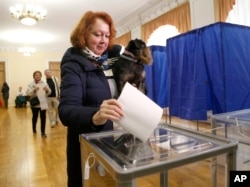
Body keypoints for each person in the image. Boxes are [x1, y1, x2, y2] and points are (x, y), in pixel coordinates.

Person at [58, 11, 124, 187]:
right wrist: (96, 115)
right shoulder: (73, 64)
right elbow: (66, 111)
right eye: (97, 34)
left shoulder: (111, 61)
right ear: (84, 34)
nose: (103, 40)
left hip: (116, 141)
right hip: (87, 146)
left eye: (107, 35)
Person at [26, 71, 51, 137]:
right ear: (34, 76)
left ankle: (43, 132)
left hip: (43, 102)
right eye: (36, 75)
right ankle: (34, 129)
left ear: (41, 76)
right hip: (35, 103)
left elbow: (49, 92)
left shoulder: (44, 83)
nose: (38, 76)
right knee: (35, 117)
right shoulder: (30, 84)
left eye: (39, 75)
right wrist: (34, 90)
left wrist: (47, 90)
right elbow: (28, 93)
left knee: (43, 118)